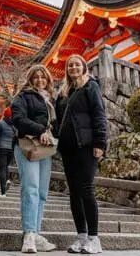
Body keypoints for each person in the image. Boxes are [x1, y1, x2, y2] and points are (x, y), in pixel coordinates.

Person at [55, 54, 107, 254]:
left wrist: (100, 142)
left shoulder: (90, 86)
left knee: (86, 189)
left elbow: (99, 114)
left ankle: (94, 238)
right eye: (70, 65)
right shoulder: (64, 92)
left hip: (86, 145)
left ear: (84, 67)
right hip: (68, 148)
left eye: (77, 64)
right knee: (74, 193)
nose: (73, 67)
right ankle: (81, 236)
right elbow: (58, 121)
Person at [11, 64, 57, 253]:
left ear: (48, 80)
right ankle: (29, 234)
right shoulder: (23, 97)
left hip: (45, 148)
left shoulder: (51, 100)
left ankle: (37, 233)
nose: (40, 80)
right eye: (36, 77)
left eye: (43, 77)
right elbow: (18, 119)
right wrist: (40, 131)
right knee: (31, 188)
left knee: (42, 192)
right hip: (27, 145)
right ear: (30, 79)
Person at [0, 106, 16, 197]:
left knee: (2, 168)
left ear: (4, 115)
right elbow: (15, 138)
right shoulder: (14, 126)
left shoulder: (0, 124)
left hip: (1, 148)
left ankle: (3, 193)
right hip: (10, 150)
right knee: (5, 166)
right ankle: (7, 180)